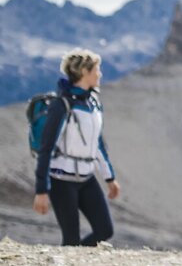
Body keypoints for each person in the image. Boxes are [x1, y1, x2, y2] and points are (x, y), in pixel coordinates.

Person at [32, 48, 120, 246]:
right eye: (97, 69)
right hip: (61, 181)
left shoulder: (93, 103)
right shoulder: (61, 105)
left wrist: (109, 178)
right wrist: (41, 190)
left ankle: (74, 259)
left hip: (87, 179)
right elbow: (46, 149)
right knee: (71, 239)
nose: (100, 74)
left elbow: (97, 144)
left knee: (105, 230)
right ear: (84, 72)